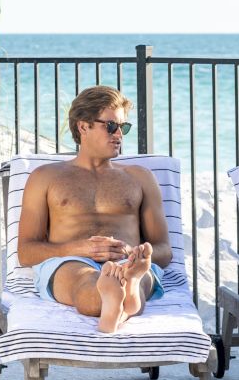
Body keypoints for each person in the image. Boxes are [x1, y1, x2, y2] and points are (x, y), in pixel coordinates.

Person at [16, 86, 172, 332]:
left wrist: (135, 254)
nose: (119, 134)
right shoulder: (45, 177)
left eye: (124, 127)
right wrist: (79, 248)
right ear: (83, 126)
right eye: (111, 126)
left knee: (139, 276)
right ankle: (123, 296)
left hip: (128, 261)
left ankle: (125, 290)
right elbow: (26, 252)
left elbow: (164, 251)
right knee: (85, 282)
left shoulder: (140, 178)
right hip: (71, 261)